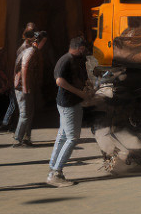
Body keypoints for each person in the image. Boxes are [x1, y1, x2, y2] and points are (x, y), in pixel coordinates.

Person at [47, 36, 91, 187]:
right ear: (80, 48)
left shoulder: (76, 59)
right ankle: (56, 174)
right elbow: (59, 81)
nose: (85, 51)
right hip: (69, 103)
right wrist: (80, 94)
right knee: (72, 138)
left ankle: (53, 168)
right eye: (84, 49)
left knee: (63, 135)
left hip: (70, 103)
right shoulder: (65, 60)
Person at [1, 24, 35, 133]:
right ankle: (20, 136)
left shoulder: (30, 48)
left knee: (27, 111)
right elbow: (22, 68)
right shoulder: (25, 49)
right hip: (21, 84)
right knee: (24, 112)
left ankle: (24, 135)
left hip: (25, 82)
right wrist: (24, 86)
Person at [13, 31, 45, 147]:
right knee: (25, 113)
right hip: (22, 87)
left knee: (29, 113)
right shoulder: (30, 52)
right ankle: (18, 138)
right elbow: (24, 67)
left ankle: (26, 138)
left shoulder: (34, 51)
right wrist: (25, 88)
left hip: (28, 86)